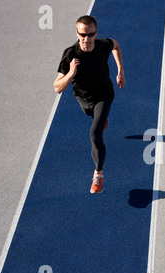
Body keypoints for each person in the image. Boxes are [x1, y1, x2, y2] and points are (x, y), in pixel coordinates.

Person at [54, 15, 125, 194]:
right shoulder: (70, 54)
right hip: (83, 99)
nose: (87, 39)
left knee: (95, 134)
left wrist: (120, 71)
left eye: (91, 34)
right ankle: (100, 119)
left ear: (96, 33)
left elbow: (116, 45)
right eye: (82, 34)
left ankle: (98, 174)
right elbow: (57, 87)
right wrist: (70, 74)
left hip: (104, 95)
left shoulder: (102, 45)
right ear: (77, 33)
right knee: (91, 115)